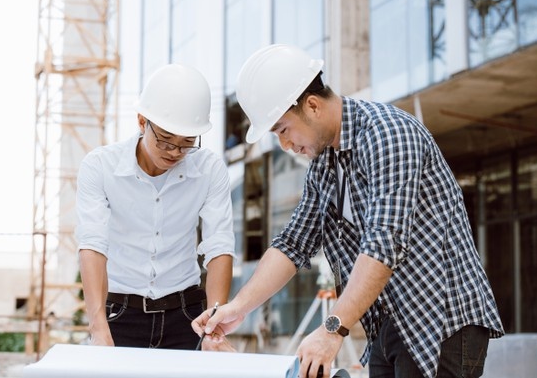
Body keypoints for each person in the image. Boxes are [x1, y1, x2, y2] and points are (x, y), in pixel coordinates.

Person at [192, 44, 504, 377]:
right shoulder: (324, 166)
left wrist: (331, 330)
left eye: (283, 130)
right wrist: (238, 307)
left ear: (312, 105)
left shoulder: (388, 135)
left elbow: (385, 243)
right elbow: (293, 244)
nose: (285, 145)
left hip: (442, 320)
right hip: (389, 322)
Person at [76, 63, 235, 351]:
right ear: (141, 122)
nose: (175, 152)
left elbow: (219, 246)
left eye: (187, 143)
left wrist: (214, 322)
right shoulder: (100, 167)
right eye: (165, 140)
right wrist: (98, 327)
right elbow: (93, 246)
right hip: (120, 312)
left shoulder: (210, 170)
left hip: (188, 314)